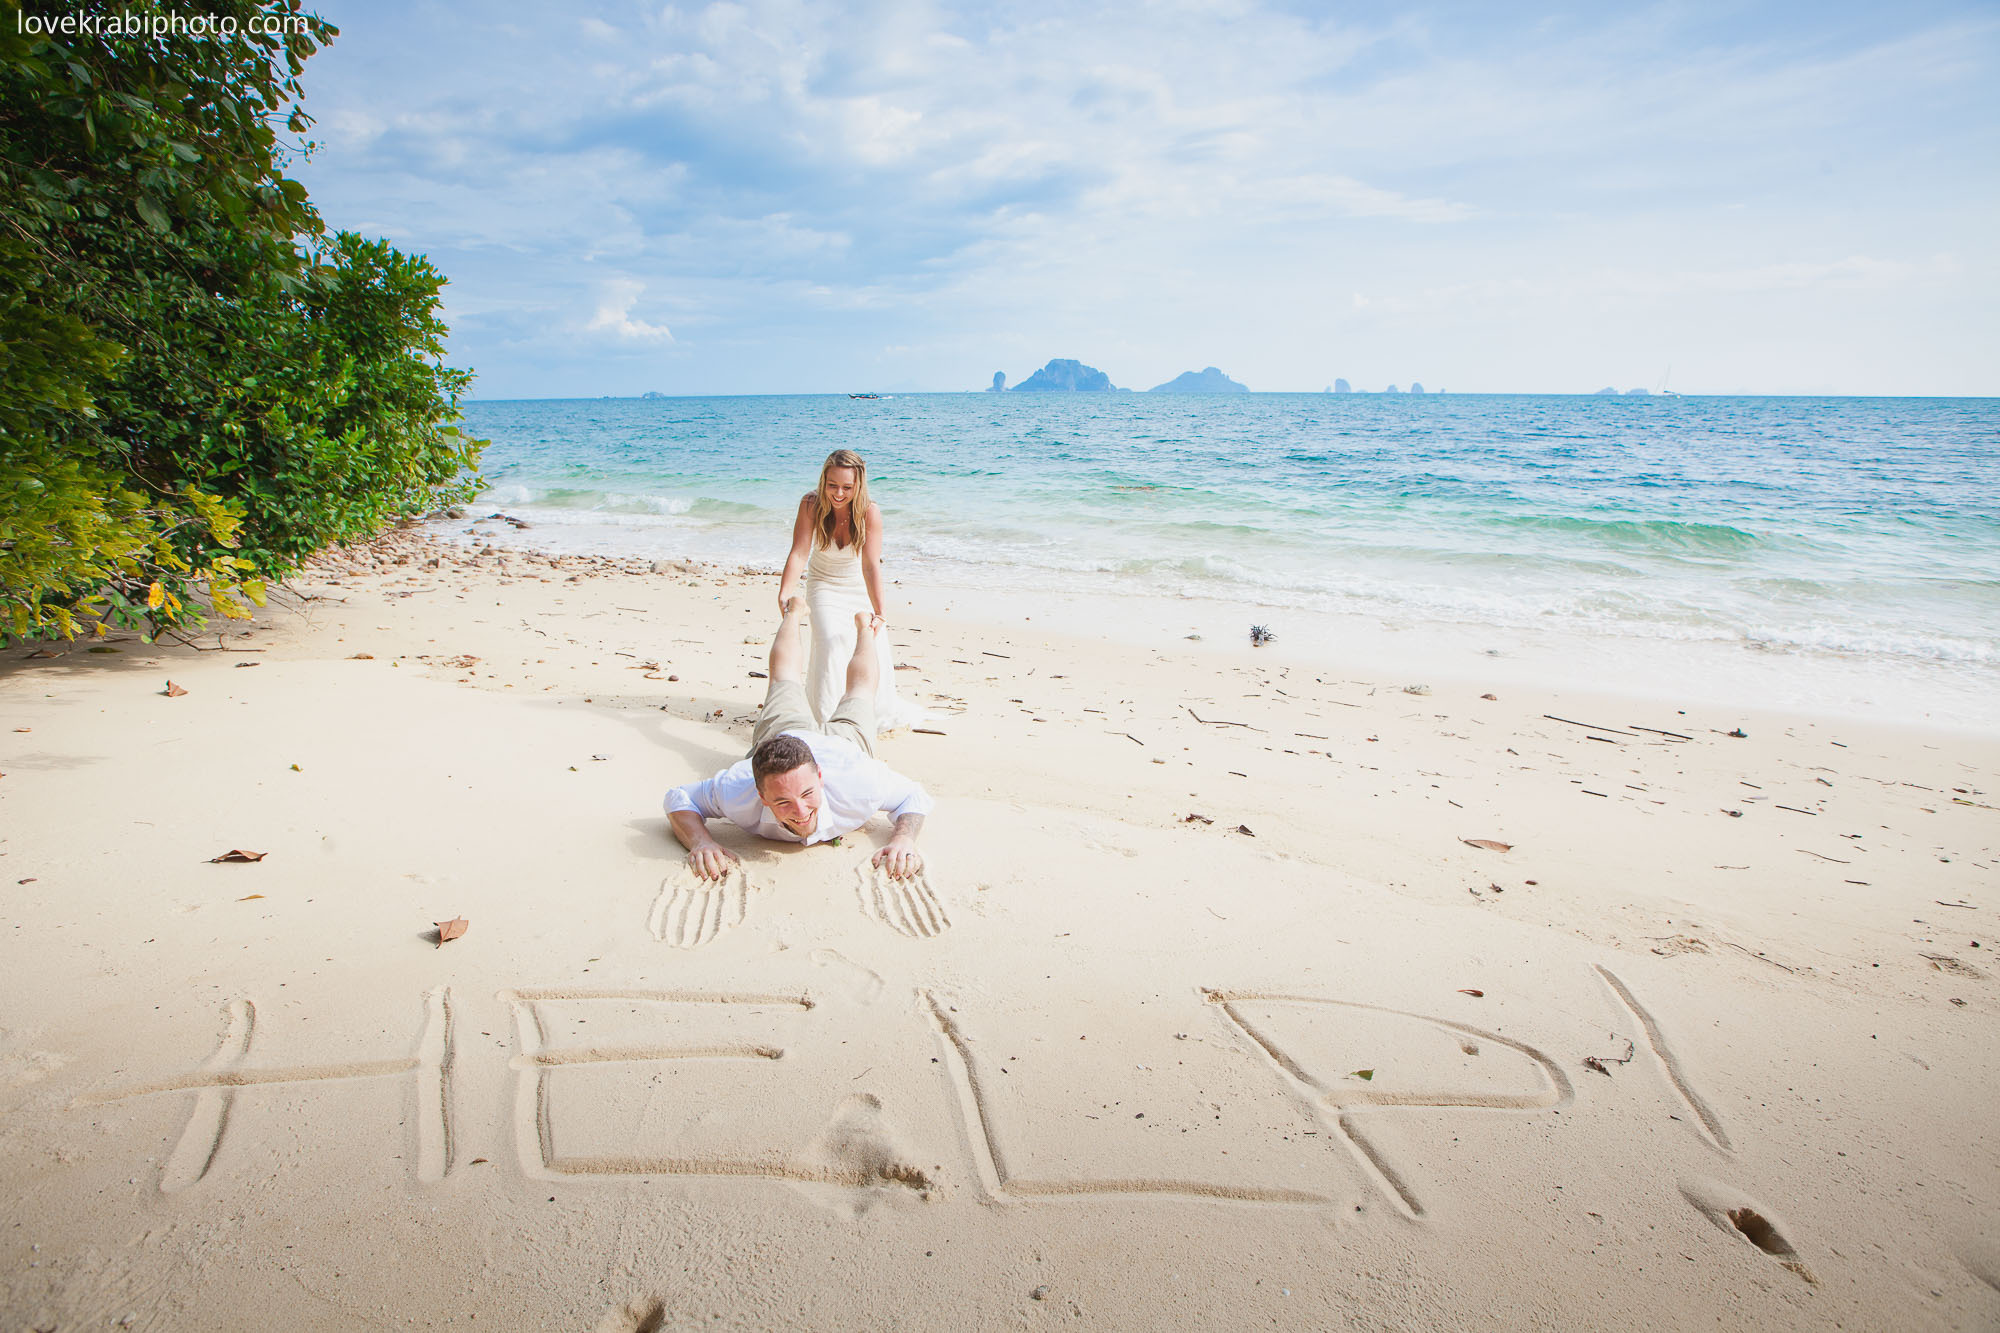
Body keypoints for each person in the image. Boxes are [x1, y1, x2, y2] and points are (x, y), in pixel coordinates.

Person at [664, 598, 930, 880]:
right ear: (761, 796)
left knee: (860, 692)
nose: (801, 811)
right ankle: (794, 612)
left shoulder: (862, 782)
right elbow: (678, 797)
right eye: (782, 801)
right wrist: (701, 842)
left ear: (820, 778)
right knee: (784, 679)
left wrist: (903, 840)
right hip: (785, 735)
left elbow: (914, 796)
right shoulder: (735, 788)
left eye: (806, 793)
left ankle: (865, 628)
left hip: (845, 744)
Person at [775, 449, 924, 733]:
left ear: (858, 485)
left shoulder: (869, 512)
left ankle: (860, 716)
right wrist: (785, 591)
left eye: (847, 487)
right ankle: (824, 721)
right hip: (823, 585)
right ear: (823, 481)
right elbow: (799, 552)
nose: (839, 494)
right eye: (832, 485)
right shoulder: (810, 505)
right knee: (830, 642)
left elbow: (870, 565)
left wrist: (880, 611)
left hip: (857, 587)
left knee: (868, 646)